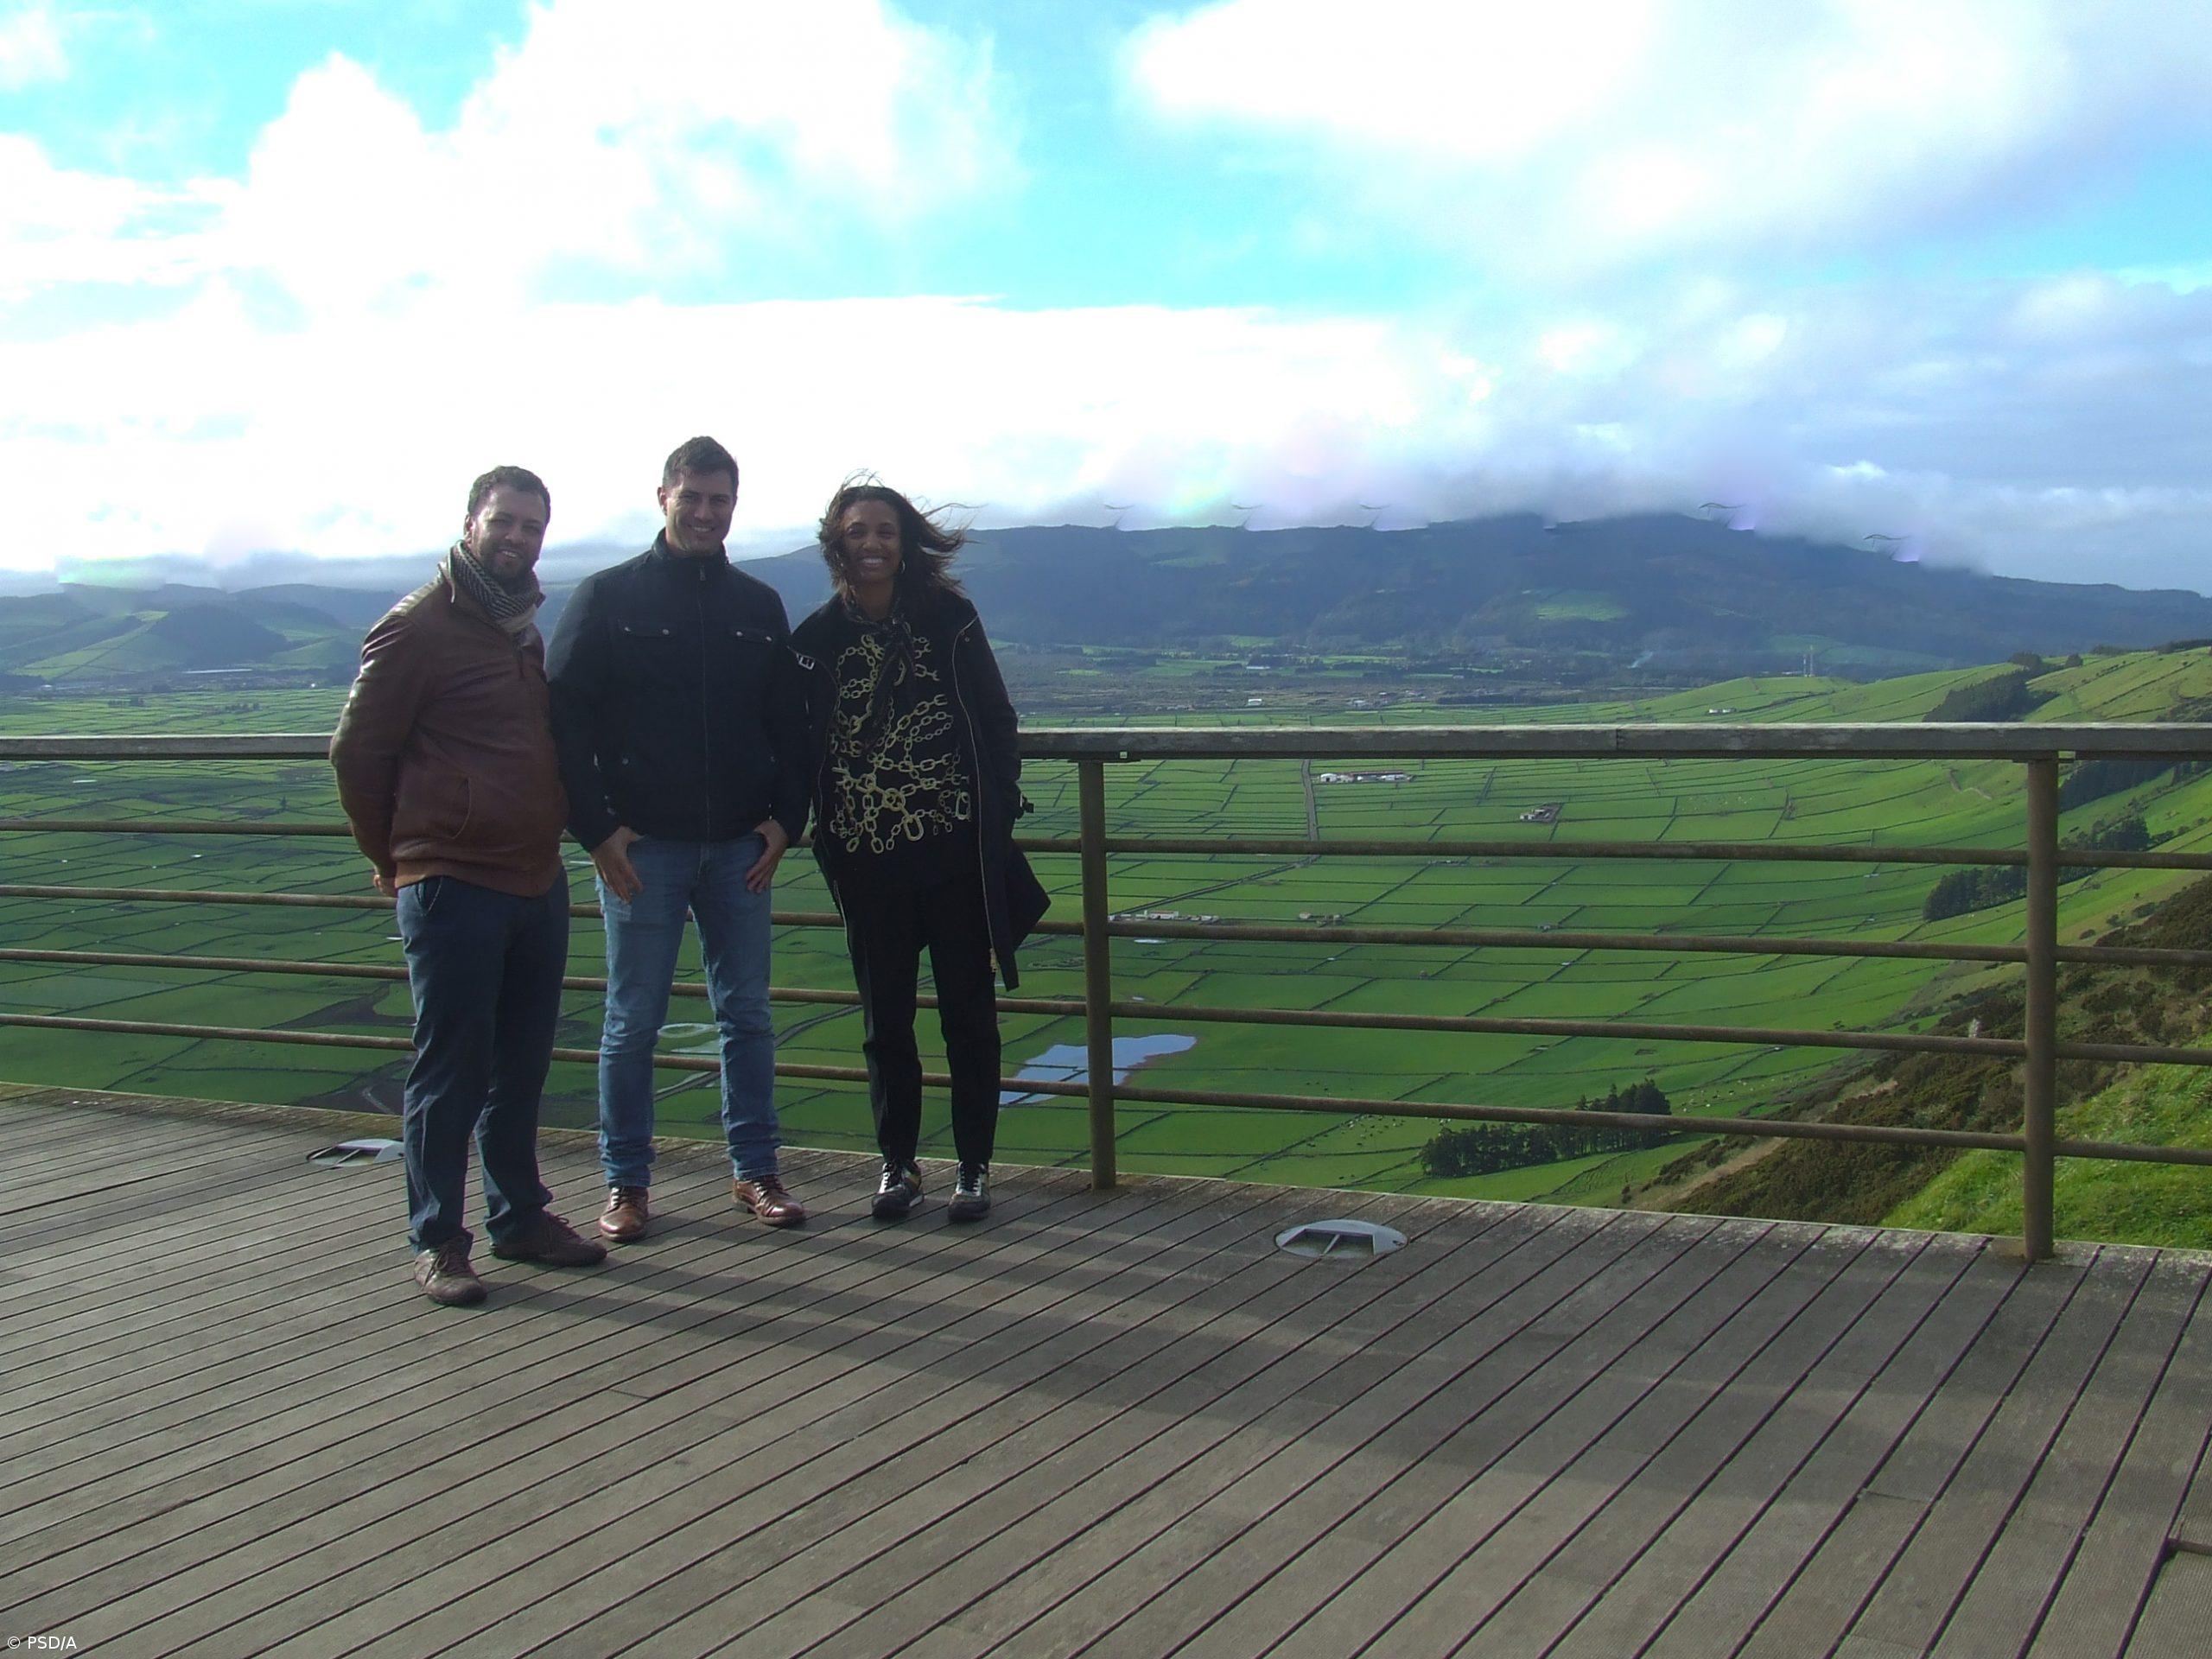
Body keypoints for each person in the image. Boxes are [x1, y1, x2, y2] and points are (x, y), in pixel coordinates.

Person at [330, 465, 607, 1306]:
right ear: (470, 522)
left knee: (519, 1065)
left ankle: (519, 1217)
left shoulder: (517, 625)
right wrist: (395, 857)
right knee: (450, 1068)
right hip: (452, 879)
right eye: (505, 521)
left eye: (532, 525)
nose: (518, 537)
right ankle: (438, 1240)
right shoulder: (419, 625)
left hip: (532, 876)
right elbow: (356, 752)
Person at [545, 436, 811, 1241]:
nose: (705, 513)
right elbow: (560, 718)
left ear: (735, 505)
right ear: (661, 496)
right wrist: (595, 830)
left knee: (749, 1016)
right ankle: (626, 1185)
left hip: (740, 846)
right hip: (642, 849)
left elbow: (793, 724)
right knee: (632, 1020)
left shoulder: (758, 607)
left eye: (719, 500)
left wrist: (784, 821)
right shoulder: (606, 596)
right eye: (691, 497)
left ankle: (756, 1172)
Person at [791, 480, 1049, 1222]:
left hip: (956, 860)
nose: (871, 544)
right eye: (857, 532)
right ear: (835, 543)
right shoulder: (815, 641)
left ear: (905, 544)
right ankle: (898, 1166)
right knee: (886, 1023)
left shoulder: (951, 620)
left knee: (968, 1017)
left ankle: (973, 1168)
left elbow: (997, 721)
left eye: (885, 532)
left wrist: (992, 816)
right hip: (867, 863)